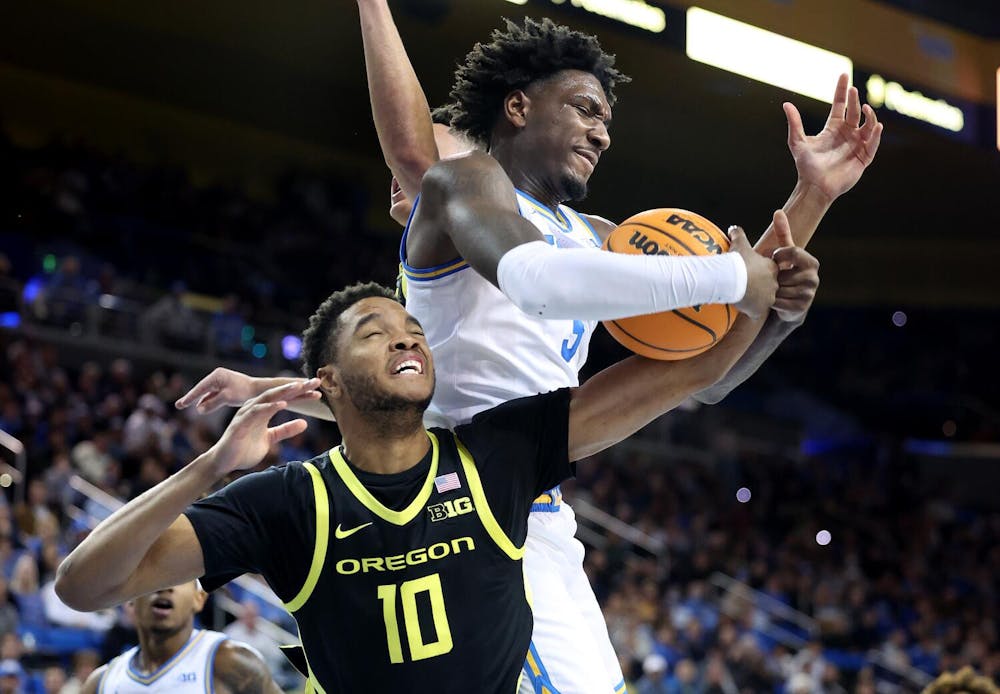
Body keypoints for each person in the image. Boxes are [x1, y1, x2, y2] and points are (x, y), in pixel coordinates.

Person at [173, 4, 874, 690]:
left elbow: (709, 370)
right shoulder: (467, 186)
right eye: (585, 109)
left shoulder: (603, 235)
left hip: (535, 497)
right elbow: (488, 229)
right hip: (455, 502)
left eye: (607, 120)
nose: (602, 133)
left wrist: (807, 208)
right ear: (517, 108)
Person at [59, 273, 799, 693]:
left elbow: (694, 365)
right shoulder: (287, 500)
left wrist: (775, 257)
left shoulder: (501, 451)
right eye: (374, 332)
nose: (406, 336)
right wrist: (208, 469)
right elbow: (84, 587)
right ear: (330, 382)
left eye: (412, 326)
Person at [77, 581, 280, 694]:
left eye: (179, 578)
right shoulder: (101, 683)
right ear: (129, 600)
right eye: (153, 576)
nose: (164, 587)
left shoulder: (233, 663)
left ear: (199, 598)